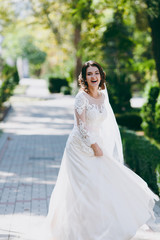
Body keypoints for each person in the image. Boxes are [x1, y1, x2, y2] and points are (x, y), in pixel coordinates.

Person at [41, 60, 160, 240]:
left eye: (96, 73)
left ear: (101, 75)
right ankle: (76, 232)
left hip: (98, 145)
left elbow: (106, 124)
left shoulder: (103, 95)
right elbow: (81, 127)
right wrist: (94, 146)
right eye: (89, 74)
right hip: (79, 148)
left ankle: (101, 229)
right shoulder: (81, 97)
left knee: (102, 187)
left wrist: (103, 145)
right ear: (84, 78)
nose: (93, 77)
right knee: (82, 190)